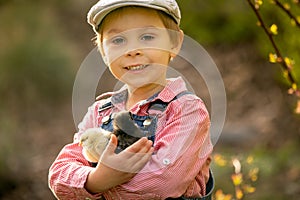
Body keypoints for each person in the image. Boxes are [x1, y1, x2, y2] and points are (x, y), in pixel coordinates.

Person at [48, 0, 214, 199]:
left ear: (174, 43)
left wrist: (102, 183)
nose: (132, 50)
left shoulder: (187, 110)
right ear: (102, 50)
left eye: (147, 37)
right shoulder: (101, 111)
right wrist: (96, 179)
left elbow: (162, 183)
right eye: (118, 40)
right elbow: (59, 173)